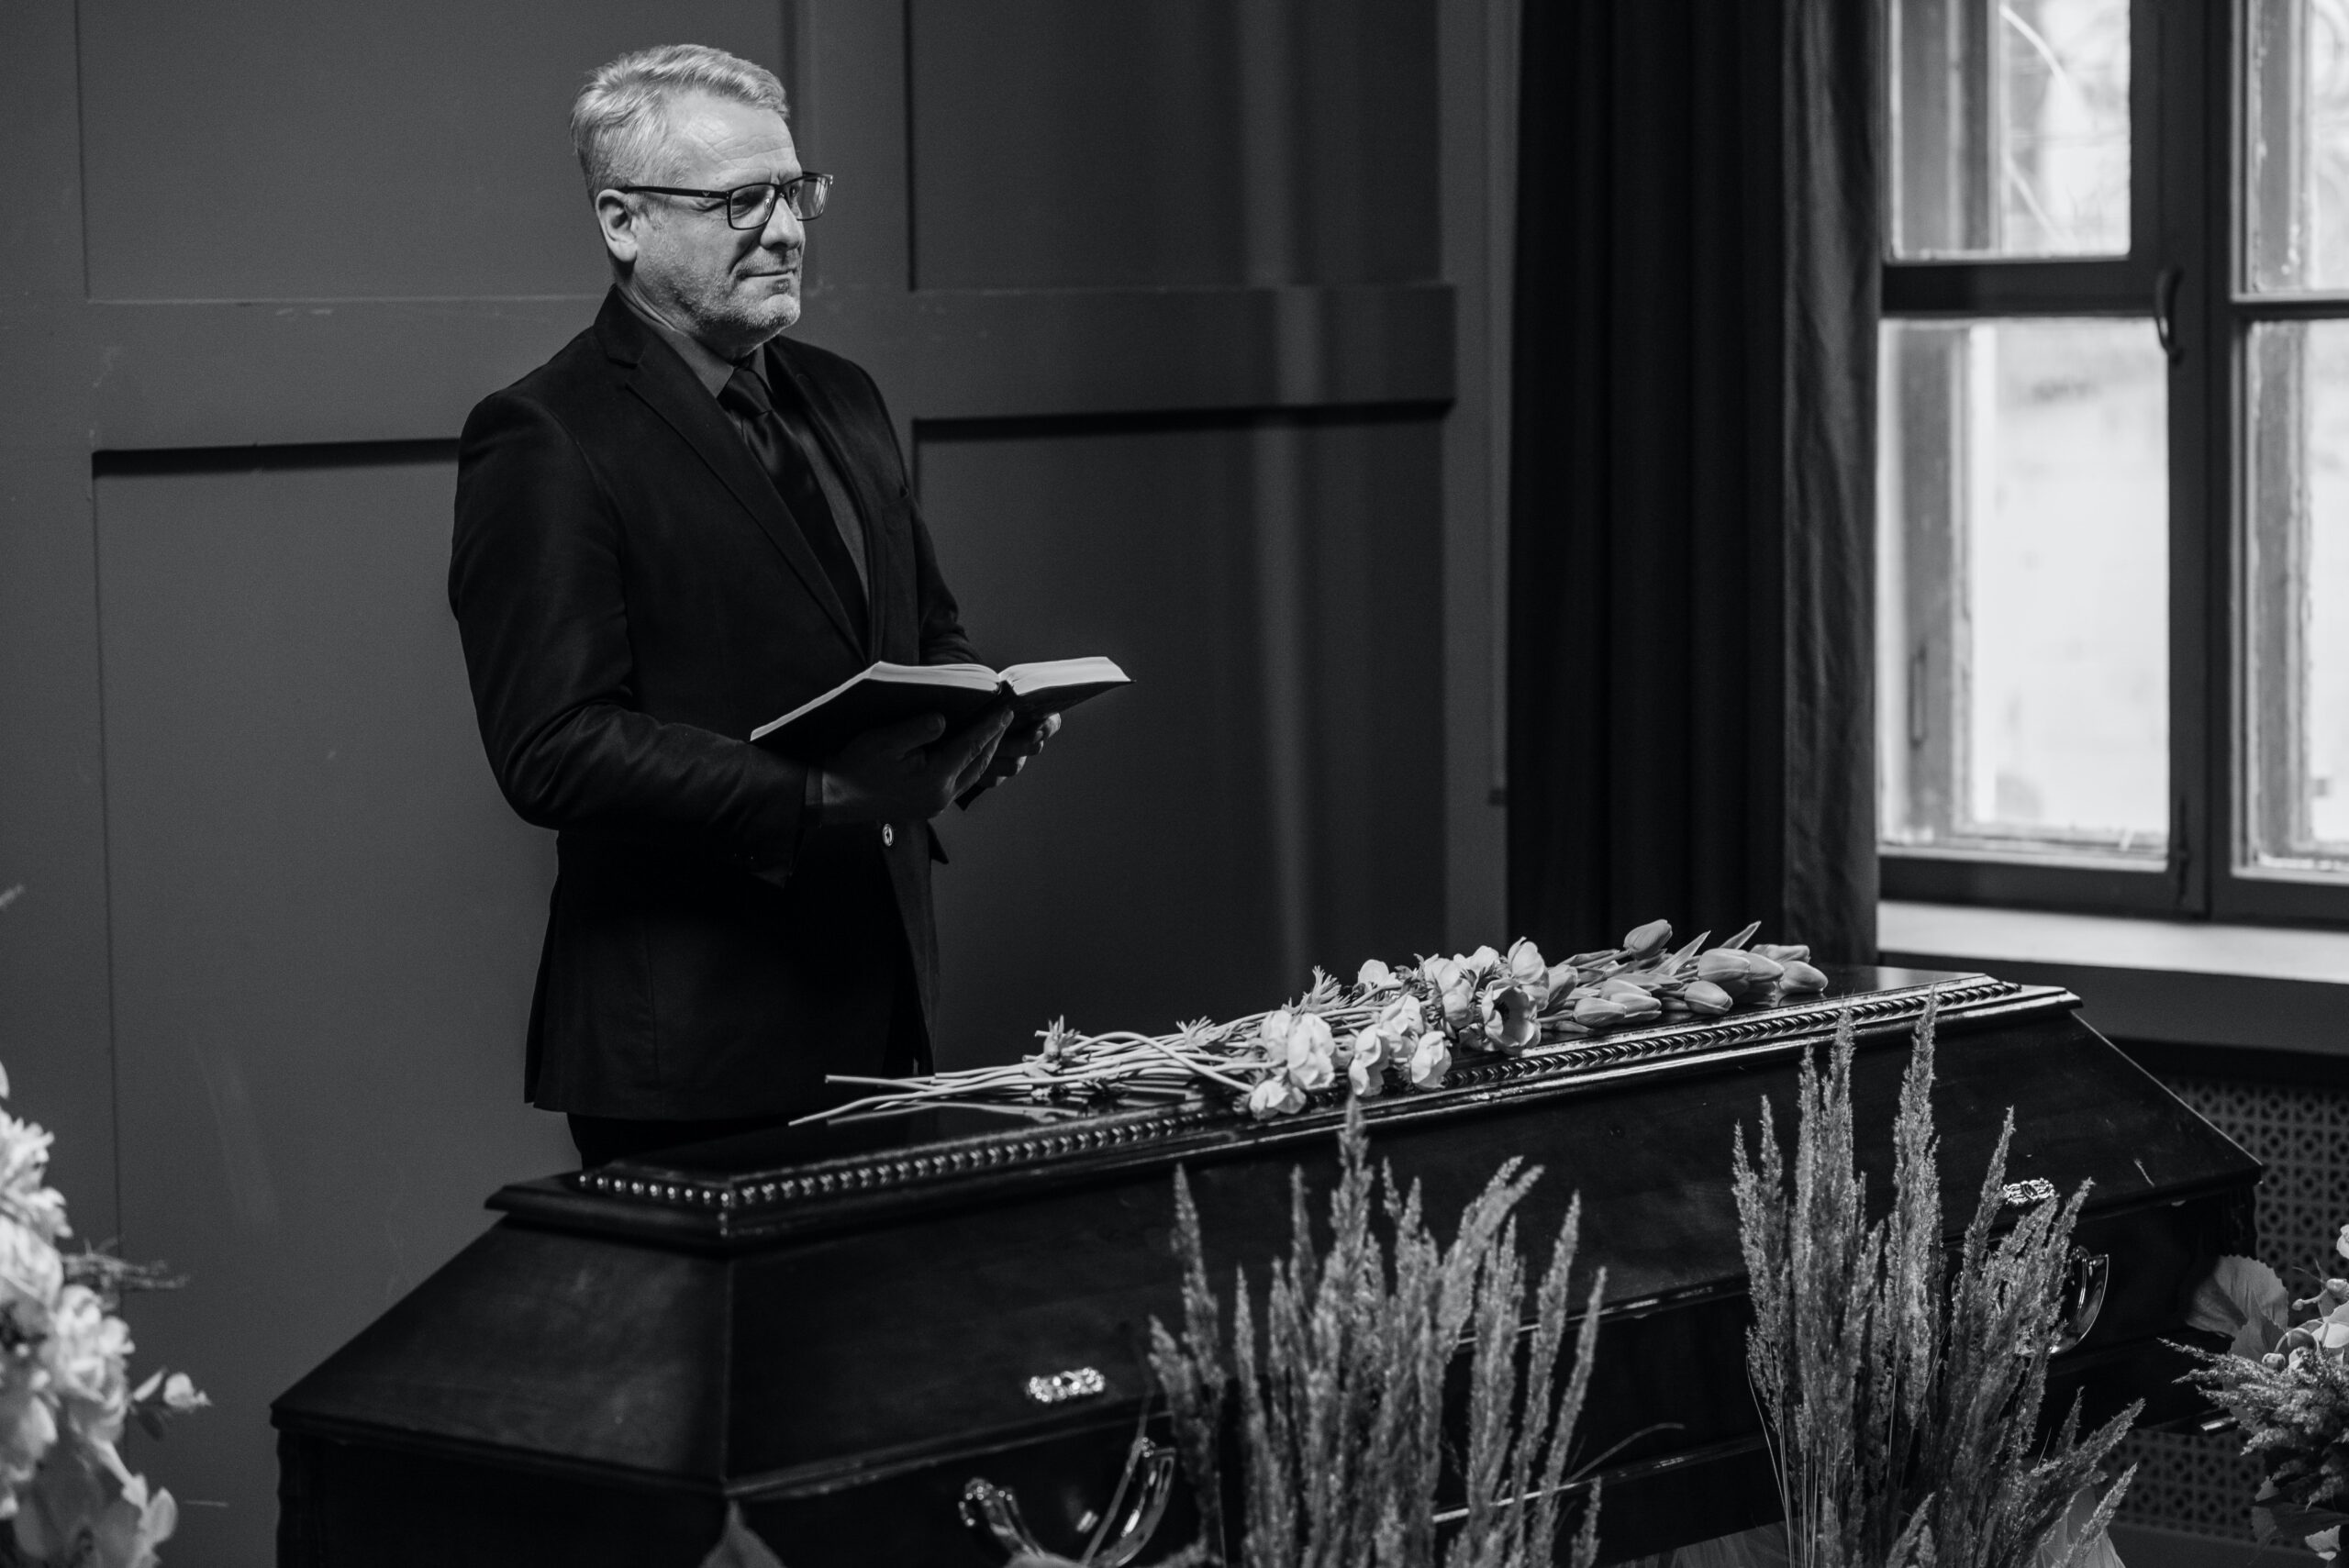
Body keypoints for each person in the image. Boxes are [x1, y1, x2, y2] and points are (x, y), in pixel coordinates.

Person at [449, 43, 1055, 1167]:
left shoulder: (844, 394)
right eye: (741, 201)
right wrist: (823, 790)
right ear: (623, 221)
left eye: (795, 191)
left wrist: (980, 721)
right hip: (692, 1049)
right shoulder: (545, 434)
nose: (785, 229)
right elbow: (551, 747)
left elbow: (925, 630)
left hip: (884, 1012)